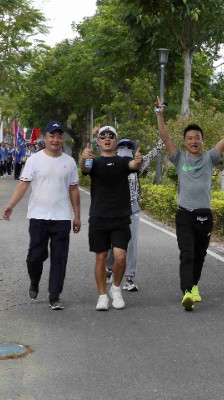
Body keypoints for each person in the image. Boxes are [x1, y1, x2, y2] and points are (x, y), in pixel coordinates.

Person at [155, 97, 224, 311]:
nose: (193, 141)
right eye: (190, 138)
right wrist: (159, 114)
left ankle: (194, 286)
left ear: (202, 141)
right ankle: (187, 291)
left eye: (197, 138)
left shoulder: (209, 158)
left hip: (205, 215)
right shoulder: (179, 158)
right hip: (184, 214)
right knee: (187, 254)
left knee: (200, 255)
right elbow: (165, 137)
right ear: (185, 141)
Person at [3, 121, 81, 310]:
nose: (55, 140)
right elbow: (23, 184)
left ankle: (54, 296)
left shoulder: (69, 162)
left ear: (62, 139)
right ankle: (34, 281)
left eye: (59, 136)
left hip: (61, 218)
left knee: (59, 258)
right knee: (35, 257)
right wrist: (11, 205)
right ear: (45, 137)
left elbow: (73, 189)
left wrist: (77, 215)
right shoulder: (34, 160)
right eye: (52, 136)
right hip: (38, 216)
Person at [79, 126, 142, 311]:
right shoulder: (94, 162)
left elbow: (134, 166)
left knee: (120, 257)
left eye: (111, 136)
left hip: (121, 217)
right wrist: (83, 157)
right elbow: (84, 168)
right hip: (99, 217)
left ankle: (116, 288)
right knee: (101, 258)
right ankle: (102, 296)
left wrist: (138, 160)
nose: (107, 139)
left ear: (116, 141)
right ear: (98, 142)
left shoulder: (123, 161)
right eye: (103, 136)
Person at [105, 137, 165, 291]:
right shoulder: (110, 163)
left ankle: (129, 278)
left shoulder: (137, 165)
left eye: (128, 146)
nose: (125, 148)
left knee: (132, 244)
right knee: (113, 243)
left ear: (132, 150)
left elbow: (154, 153)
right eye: (122, 146)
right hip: (114, 210)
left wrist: (162, 138)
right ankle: (109, 270)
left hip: (132, 209)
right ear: (117, 149)